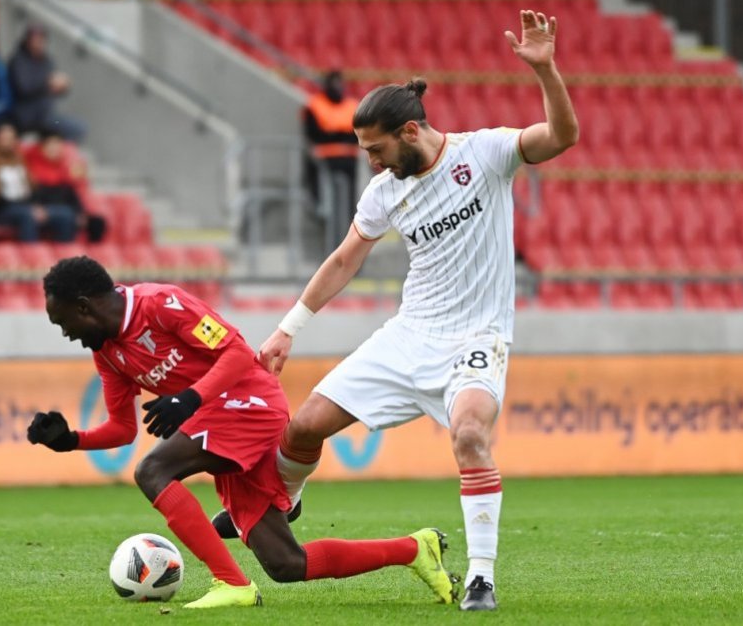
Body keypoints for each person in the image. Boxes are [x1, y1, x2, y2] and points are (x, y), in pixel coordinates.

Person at [212, 10, 580, 612]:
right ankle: (287, 499)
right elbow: (343, 260)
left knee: (468, 435)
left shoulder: (484, 155)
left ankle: (482, 575)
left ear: (410, 132)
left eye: (375, 149)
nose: (371, 163)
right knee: (302, 428)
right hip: (409, 335)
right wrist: (288, 330)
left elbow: (562, 137)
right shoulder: (384, 191)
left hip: (475, 338)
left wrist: (546, 71)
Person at [28, 256, 459, 609]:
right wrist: (71, 441)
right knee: (286, 564)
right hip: (215, 423)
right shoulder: (109, 354)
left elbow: (235, 351)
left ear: (84, 306)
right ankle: (414, 549)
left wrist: (190, 398)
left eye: (62, 321)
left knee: (152, 471)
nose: (65, 333)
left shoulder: (161, 304)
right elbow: (122, 429)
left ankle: (230, 582)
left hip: (250, 404)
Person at [0, 121, 77, 242]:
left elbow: (31, 187)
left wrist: (36, 207)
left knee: (65, 214)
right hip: (1, 209)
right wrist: (28, 208)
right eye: (4, 138)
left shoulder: (20, 161)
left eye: (11, 138)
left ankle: (64, 255)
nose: (8, 142)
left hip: (26, 205)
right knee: (27, 216)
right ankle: (31, 254)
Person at [303, 70, 360, 251]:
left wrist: (334, 134)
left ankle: (351, 221)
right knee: (328, 201)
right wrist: (341, 135)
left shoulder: (352, 106)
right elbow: (315, 134)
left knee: (350, 204)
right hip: (324, 160)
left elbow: (357, 135)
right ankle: (319, 206)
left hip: (349, 160)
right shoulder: (315, 105)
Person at [23, 129, 105, 242]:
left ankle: (95, 255)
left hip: (65, 208)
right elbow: (29, 193)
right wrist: (35, 207)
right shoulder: (31, 166)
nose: (54, 149)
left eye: (57, 145)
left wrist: (80, 212)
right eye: (50, 145)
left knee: (97, 222)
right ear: (41, 147)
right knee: (66, 216)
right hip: (44, 209)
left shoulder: (64, 167)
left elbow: (72, 194)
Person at [7, 25, 84, 142]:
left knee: (79, 128)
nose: (37, 43)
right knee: (75, 129)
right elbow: (24, 87)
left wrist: (63, 86)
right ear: (27, 41)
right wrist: (47, 83)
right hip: (27, 115)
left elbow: (54, 89)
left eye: (41, 40)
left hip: (47, 114)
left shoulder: (47, 61)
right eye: (34, 40)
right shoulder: (18, 61)